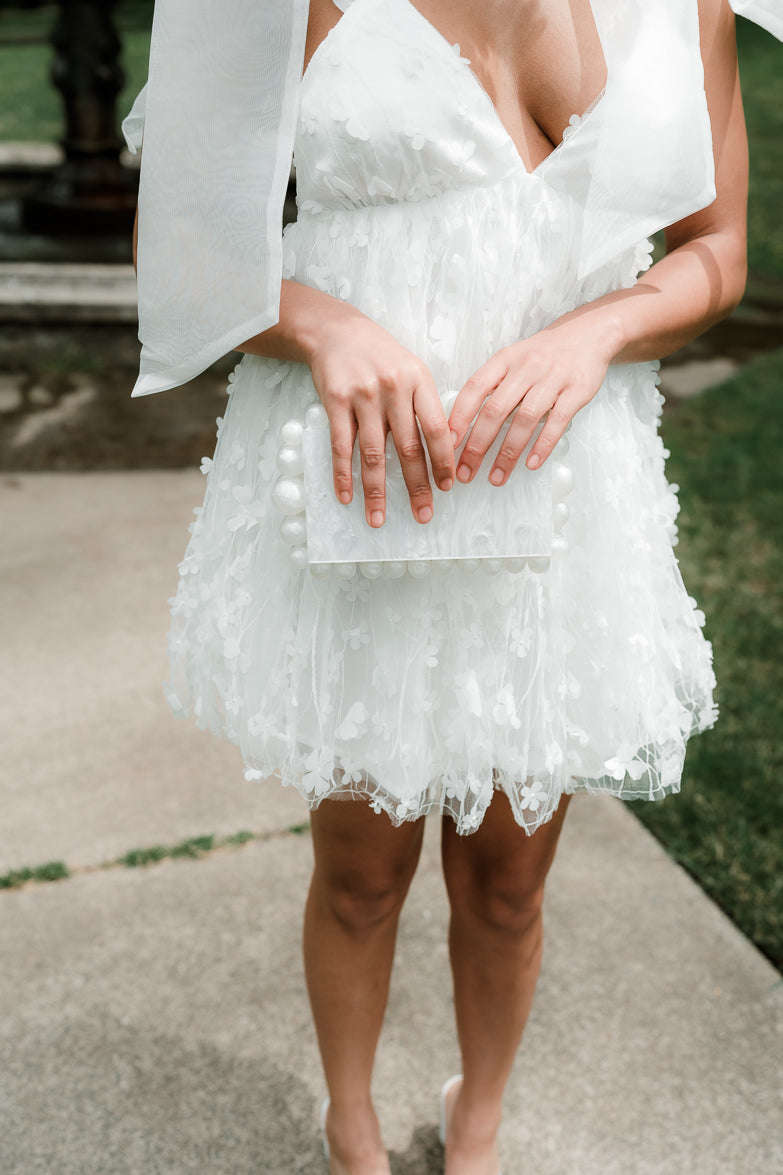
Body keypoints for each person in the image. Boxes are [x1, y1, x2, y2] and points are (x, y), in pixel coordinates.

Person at [126, 1, 780, 1172]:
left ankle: (477, 1124)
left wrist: (600, 332)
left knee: (508, 879)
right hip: (369, 480)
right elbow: (185, 243)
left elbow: (718, 252)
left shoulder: (687, 3)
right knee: (363, 869)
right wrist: (323, 325)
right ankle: (353, 1127)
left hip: (562, 488)